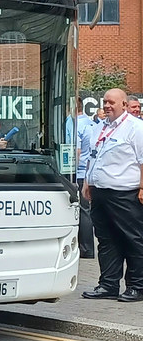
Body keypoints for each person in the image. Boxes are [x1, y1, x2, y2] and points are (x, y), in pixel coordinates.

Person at [81, 88, 143, 302]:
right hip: (100, 192)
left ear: (124, 105)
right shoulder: (99, 127)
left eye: (112, 102)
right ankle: (108, 285)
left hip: (125, 195)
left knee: (133, 240)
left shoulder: (136, 128)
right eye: (105, 102)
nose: (107, 106)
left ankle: (137, 286)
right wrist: (88, 182)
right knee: (106, 241)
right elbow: (93, 157)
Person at [70, 95, 96, 258]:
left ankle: (85, 248)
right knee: (86, 210)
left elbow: (76, 150)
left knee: (82, 211)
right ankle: (88, 248)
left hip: (78, 172)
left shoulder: (73, 123)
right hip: (88, 172)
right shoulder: (91, 123)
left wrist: (70, 171)